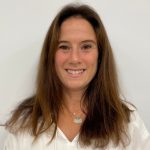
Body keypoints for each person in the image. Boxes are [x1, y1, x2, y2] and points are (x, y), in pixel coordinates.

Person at [3, 3, 150, 150]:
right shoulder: (23, 124)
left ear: (100, 55)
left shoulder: (127, 122)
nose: (74, 59)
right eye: (64, 47)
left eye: (86, 46)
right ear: (51, 56)